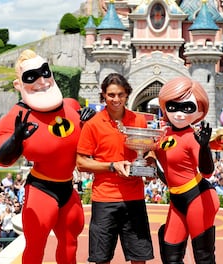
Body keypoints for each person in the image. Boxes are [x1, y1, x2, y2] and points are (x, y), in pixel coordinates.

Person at [0, 49, 94, 263]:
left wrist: (89, 121)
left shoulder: (71, 106)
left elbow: (91, 143)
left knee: (70, 244)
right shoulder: (17, 117)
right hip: (42, 189)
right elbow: (0, 158)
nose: (42, 81)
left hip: (68, 187)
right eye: (31, 76)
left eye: (45, 72)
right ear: (19, 85)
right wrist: (16, 140)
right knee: (36, 247)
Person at [76, 73, 154, 264]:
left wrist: (149, 165)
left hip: (134, 197)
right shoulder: (93, 124)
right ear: (103, 95)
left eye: (120, 94)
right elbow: (81, 162)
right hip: (104, 199)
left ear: (127, 95)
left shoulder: (139, 120)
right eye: (111, 95)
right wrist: (112, 166)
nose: (116, 99)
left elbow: (149, 151)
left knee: (139, 257)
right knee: (101, 259)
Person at [155, 76, 220, 263]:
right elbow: (163, 167)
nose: (179, 114)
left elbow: (207, 172)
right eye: (173, 106)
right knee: (170, 255)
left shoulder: (194, 137)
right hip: (177, 198)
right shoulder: (163, 134)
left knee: (203, 256)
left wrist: (205, 147)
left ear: (199, 110)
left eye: (187, 108)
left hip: (198, 197)